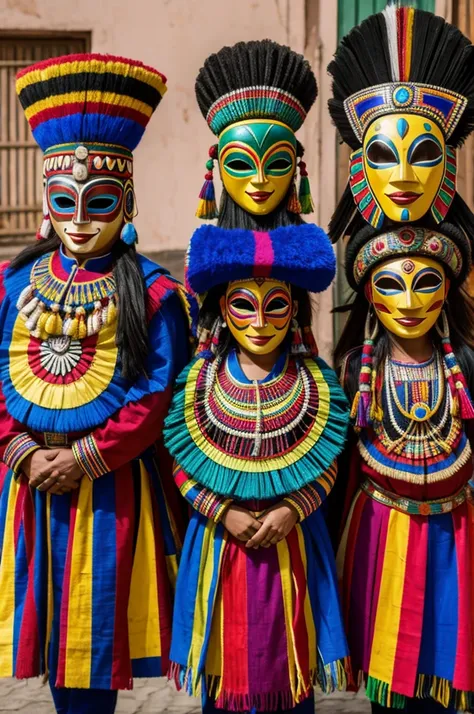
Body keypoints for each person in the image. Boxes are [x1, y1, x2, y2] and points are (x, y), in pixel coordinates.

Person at [163, 39, 350, 714]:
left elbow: (329, 454)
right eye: (243, 304)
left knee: (289, 682)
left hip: (291, 548)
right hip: (222, 548)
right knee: (225, 683)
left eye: (278, 305)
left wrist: (288, 510)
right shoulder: (198, 383)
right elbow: (181, 454)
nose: (262, 319)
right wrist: (228, 512)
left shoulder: (317, 384)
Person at [0, 53, 190, 714]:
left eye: (100, 201)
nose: (81, 217)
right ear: (47, 204)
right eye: (65, 201)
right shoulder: (12, 286)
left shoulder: (158, 295)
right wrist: (21, 449)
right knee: (50, 644)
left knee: (92, 648)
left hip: (108, 489)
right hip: (28, 488)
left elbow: (156, 394)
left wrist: (83, 458)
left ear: (126, 201)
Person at [327, 6, 474, 712]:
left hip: (456, 537)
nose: (410, 301)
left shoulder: (467, 365)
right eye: (388, 282)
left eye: (427, 282)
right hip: (381, 531)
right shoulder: (352, 370)